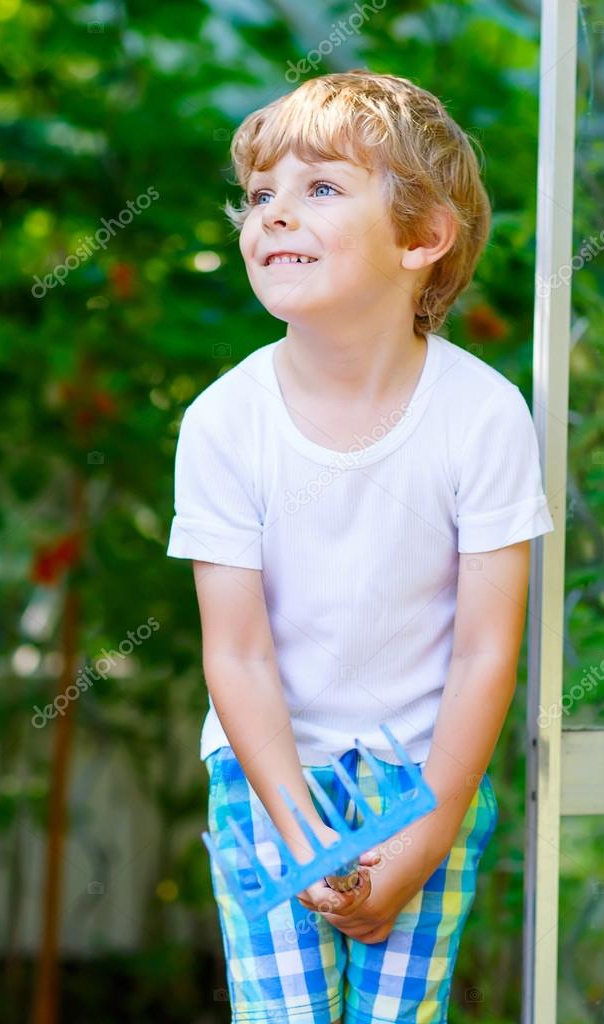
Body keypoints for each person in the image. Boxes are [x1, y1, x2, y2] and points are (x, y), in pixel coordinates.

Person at [166, 69, 555, 1024]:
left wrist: (421, 834)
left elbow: (484, 651)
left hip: (425, 785)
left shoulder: (485, 415)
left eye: (323, 188)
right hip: (270, 785)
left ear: (423, 239)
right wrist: (302, 840)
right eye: (262, 196)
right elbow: (238, 652)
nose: (275, 216)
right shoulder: (222, 423)